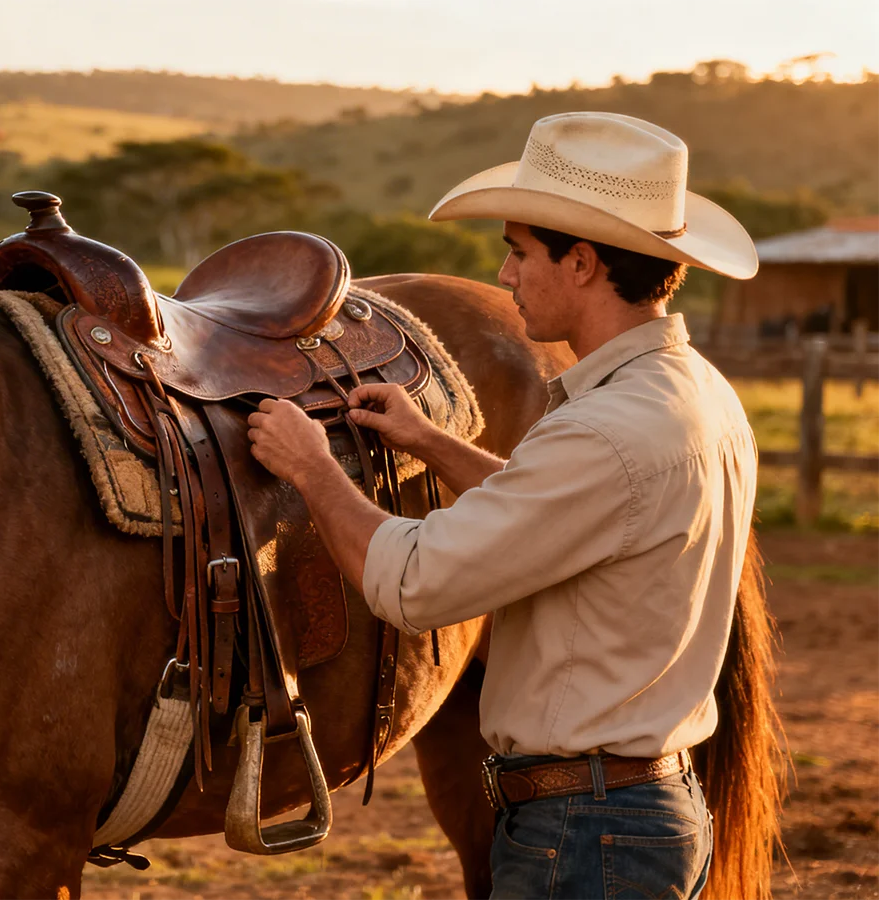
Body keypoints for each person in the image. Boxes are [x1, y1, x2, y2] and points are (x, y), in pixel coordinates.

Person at [246, 111, 760, 899]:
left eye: (520, 252)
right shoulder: (697, 394)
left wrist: (312, 468)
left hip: (585, 833)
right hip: (638, 812)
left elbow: (412, 583)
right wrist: (430, 442)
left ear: (583, 262)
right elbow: (575, 514)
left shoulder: (603, 429)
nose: (506, 275)